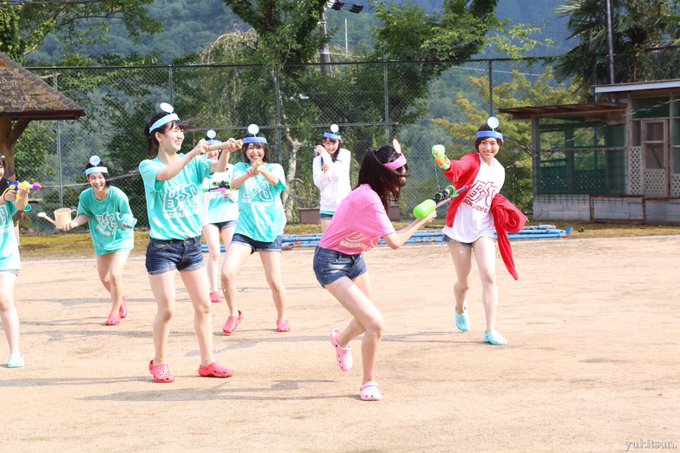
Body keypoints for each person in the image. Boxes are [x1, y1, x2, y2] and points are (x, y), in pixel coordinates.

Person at [313, 140, 436, 401]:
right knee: (375, 324)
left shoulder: (372, 193)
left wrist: (399, 152)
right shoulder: (368, 199)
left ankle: (340, 340)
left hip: (354, 258)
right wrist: (422, 221)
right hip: (330, 262)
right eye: (399, 174)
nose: (402, 180)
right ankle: (368, 383)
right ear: (383, 175)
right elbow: (395, 242)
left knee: (364, 319)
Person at [139, 103, 240, 383]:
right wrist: (194, 153)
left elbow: (218, 169)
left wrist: (226, 151)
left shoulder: (193, 162)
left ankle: (207, 363)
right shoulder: (148, 166)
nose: (179, 135)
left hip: (191, 246)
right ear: (159, 136)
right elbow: (167, 174)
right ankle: (159, 361)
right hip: (163, 248)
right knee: (167, 309)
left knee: (204, 306)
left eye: (181, 130)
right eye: (173, 130)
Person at [438, 118, 510, 346]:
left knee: (489, 275)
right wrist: (445, 163)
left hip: (483, 229)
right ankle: (460, 307)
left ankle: (490, 330)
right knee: (465, 283)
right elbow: (457, 168)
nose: (488, 147)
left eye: (493, 143)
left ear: (500, 144)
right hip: (458, 231)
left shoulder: (500, 171)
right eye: (483, 143)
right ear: (477, 145)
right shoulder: (472, 160)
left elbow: (492, 200)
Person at [220, 124, 289, 335]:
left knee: (274, 281)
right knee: (226, 273)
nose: (254, 151)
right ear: (245, 150)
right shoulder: (241, 168)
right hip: (245, 230)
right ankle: (234, 314)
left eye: (258, 147)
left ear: (265, 149)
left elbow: (279, 184)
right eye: (250, 147)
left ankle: (282, 317)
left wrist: (262, 170)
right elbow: (233, 185)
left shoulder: (275, 167)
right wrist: (249, 174)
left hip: (270, 231)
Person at [60, 156, 135, 326]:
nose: (97, 181)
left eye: (100, 177)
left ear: (106, 177)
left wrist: (126, 222)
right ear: (88, 179)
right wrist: (74, 223)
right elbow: (84, 214)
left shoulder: (117, 194)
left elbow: (127, 214)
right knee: (105, 278)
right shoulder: (86, 196)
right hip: (102, 240)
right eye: (93, 178)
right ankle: (120, 298)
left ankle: (115, 311)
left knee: (115, 274)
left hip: (121, 238)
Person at [200, 130, 239, 304]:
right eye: (210, 149)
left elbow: (238, 189)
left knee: (232, 251)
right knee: (214, 252)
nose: (212, 152)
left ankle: (229, 283)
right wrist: (212, 192)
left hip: (228, 215)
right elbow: (199, 191)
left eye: (216, 149)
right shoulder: (201, 169)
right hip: (209, 217)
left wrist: (230, 193)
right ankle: (214, 289)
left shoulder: (231, 168)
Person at [0, 156, 30, 368]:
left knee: (3, 299)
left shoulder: (7, 189)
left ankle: (15, 353)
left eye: (0, 166)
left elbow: (19, 206)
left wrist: (23, 195)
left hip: (6, 256)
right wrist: (2, 199)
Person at [313, 124, 352, 232]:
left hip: (344, 205)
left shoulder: (344, 154)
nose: (330, 147)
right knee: (327, 239)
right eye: (327, 143)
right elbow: (318, 183)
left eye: (333, 143)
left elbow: (337, 173)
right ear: (323, 143)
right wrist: (324, 173)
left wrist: (325, 155)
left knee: (345, 238)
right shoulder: (317, 160)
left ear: (339, 142)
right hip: (326, 207)